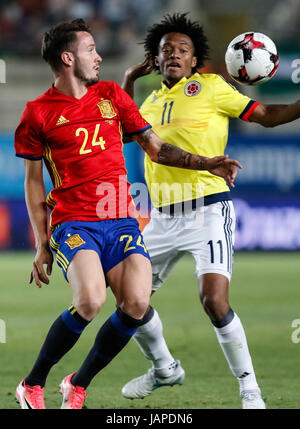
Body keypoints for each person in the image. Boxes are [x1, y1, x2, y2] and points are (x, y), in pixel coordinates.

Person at [13, 18, 241, 409]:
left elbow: (156, 148)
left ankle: (77, 383)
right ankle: (32, 384)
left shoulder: (112, 97)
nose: (99, 57)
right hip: (74, 222)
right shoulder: (38, 114)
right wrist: (40, 245)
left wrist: (207, 163)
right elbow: (34, 183)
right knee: (89, 302)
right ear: (68, 58)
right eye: (90, 51)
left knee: (136, 304)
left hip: (120, 219)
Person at [121, 12, 300, 409]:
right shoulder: (149, 101)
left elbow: (266, 117)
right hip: (163, 217)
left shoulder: (212, 87)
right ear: (156, 56)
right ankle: (164, 368)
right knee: (128, 298)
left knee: (214, 301)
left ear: (193, 59)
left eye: (182, 50)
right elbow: (120, 131)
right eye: (166, 49)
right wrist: (130, 81)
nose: (174, 54)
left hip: (207, 211)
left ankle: (249, 389)